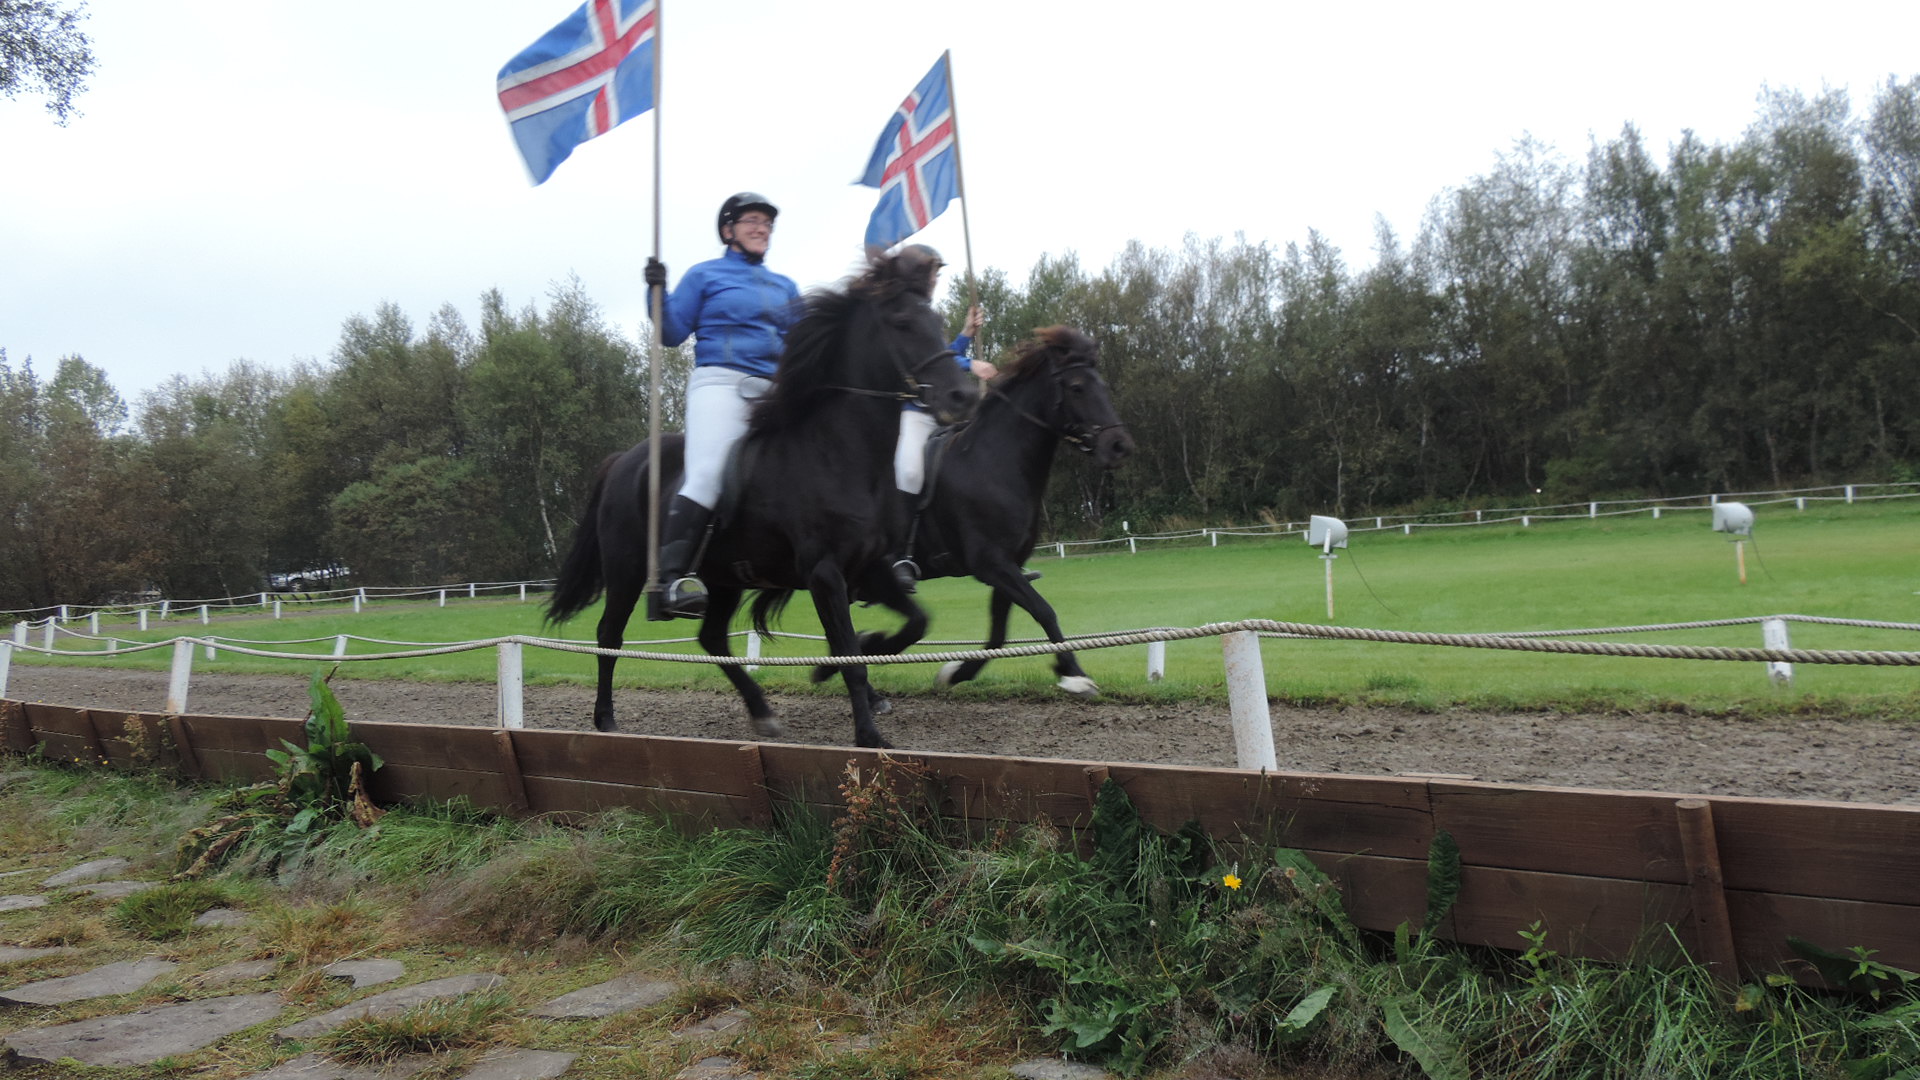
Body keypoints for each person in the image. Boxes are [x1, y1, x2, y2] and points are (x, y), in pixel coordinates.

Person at [644, 192, 801, 620]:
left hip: (775, 391)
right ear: (729, 230)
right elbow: (672, 332)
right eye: (752, 221)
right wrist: (656, 292)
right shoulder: (705, 275)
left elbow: (805, 343)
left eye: (767, 224)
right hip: (721, 382)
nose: (761, 229)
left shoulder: (785, 286)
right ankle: (673, 579)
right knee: (709, 472)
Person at [889, 245, 997, 588]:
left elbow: (941, 356)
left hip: (944, 414)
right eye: (931, 272)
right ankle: (900, 555)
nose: (935, 278)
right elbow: (934, 362)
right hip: (914, 412)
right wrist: (970, 364)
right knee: (909, 471)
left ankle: (997, 550)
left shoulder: (926, 312)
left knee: (981, 461)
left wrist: (965, 335)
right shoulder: (897, 312)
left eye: (937, 272)